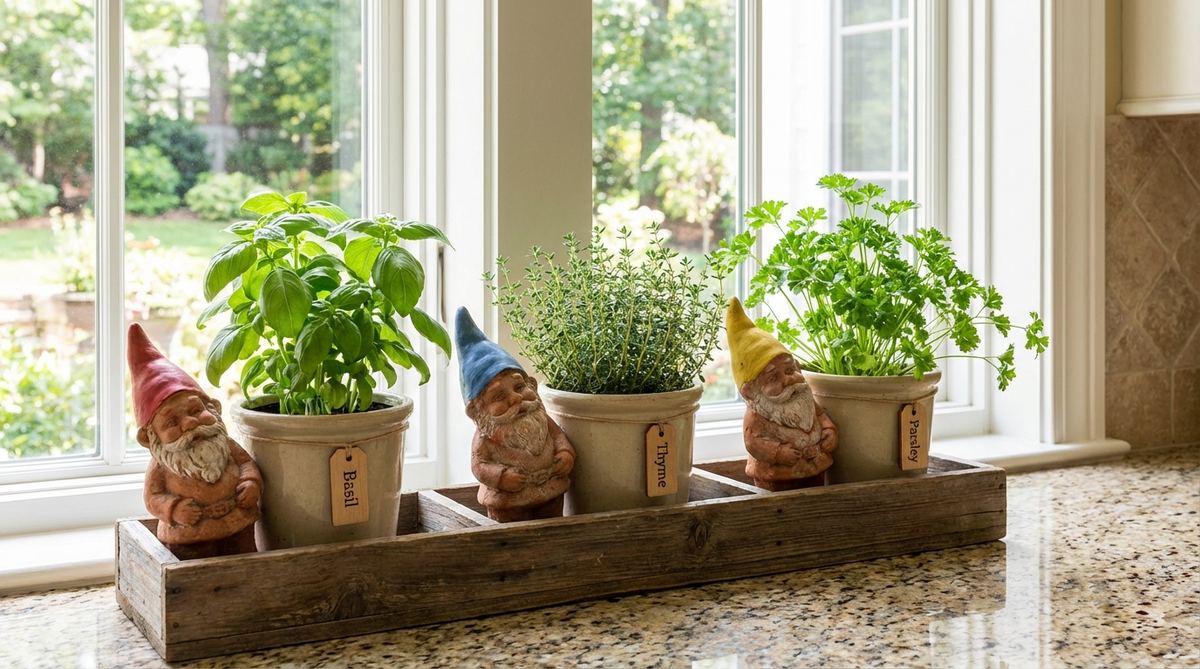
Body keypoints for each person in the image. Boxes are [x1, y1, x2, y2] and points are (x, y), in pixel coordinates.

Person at [128, 323, 261, 559]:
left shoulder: (225, 445)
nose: (189, 424)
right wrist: (173, 509)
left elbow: (246, 463)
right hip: (188, 536)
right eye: (171, 422)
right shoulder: (162, 465)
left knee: (246, 560)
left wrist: (251, 482)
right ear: (150, 438)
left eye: (195, 410)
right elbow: (152, 497)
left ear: (214, 407)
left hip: (237, 523)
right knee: (191, 570)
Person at [455, 308, 575, 522]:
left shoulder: (540, 419)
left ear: (531, 384)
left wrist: (566, 454)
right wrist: (501, 478)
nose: (515, 399)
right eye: (499, 396)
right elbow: (479, 465)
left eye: (519, 387)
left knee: (554, 528)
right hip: (508, 502)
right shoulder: (485, 438)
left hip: (550, 492)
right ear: (478, 412)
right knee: (511, 535)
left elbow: (558, 437)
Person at [726, 298, 837, 491]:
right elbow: (753, 442)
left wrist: (829, 431)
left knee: (817, 501)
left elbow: (820, 416)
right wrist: (778, 453)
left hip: (815, 468)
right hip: (776, 476)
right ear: (751, 392)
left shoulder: (803, 400)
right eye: (772, 378)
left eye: (789, 370)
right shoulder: (756, 417)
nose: (787, 380)